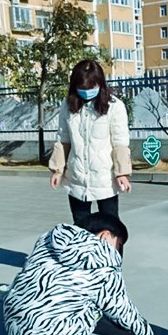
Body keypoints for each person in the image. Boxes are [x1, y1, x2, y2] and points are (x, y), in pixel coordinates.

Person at [3, 212, 162, 335]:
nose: (118, 252)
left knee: (97, 315)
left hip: (15, 326)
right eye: (119, 245)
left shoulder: (47, 241)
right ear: (105, 235)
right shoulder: (104, 260)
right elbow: (121, 310)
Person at [48, 59, 132, 225]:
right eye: (82, 88)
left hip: (105, 180)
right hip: (77, 179)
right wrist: (57, 170)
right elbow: (63, 139)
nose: (87, 92)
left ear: (100, 84)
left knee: (109, 228)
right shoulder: (68, 105)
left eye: (91, 87)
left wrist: (122, 173)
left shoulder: (115, 106)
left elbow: (120, 142)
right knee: (80, 228)